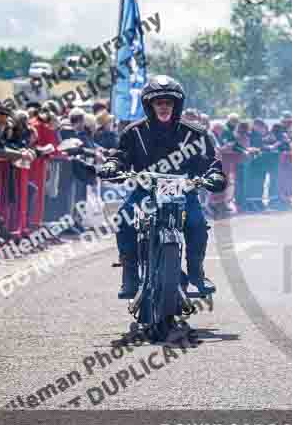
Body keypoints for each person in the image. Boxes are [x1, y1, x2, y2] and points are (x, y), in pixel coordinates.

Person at [97, 75, 227, 300]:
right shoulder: (133, 132)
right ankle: (129, 276)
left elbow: (209, 162)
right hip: (145, 191)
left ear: (177, 105)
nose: (164, 106)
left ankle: (197, 273)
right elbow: (120, 156)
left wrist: (214, 174)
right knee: (124, 219)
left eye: (169, 102)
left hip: (182, 192)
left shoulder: (194, 133)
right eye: (159, 102)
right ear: (150, 105)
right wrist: (111, 165)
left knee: (197, 223)